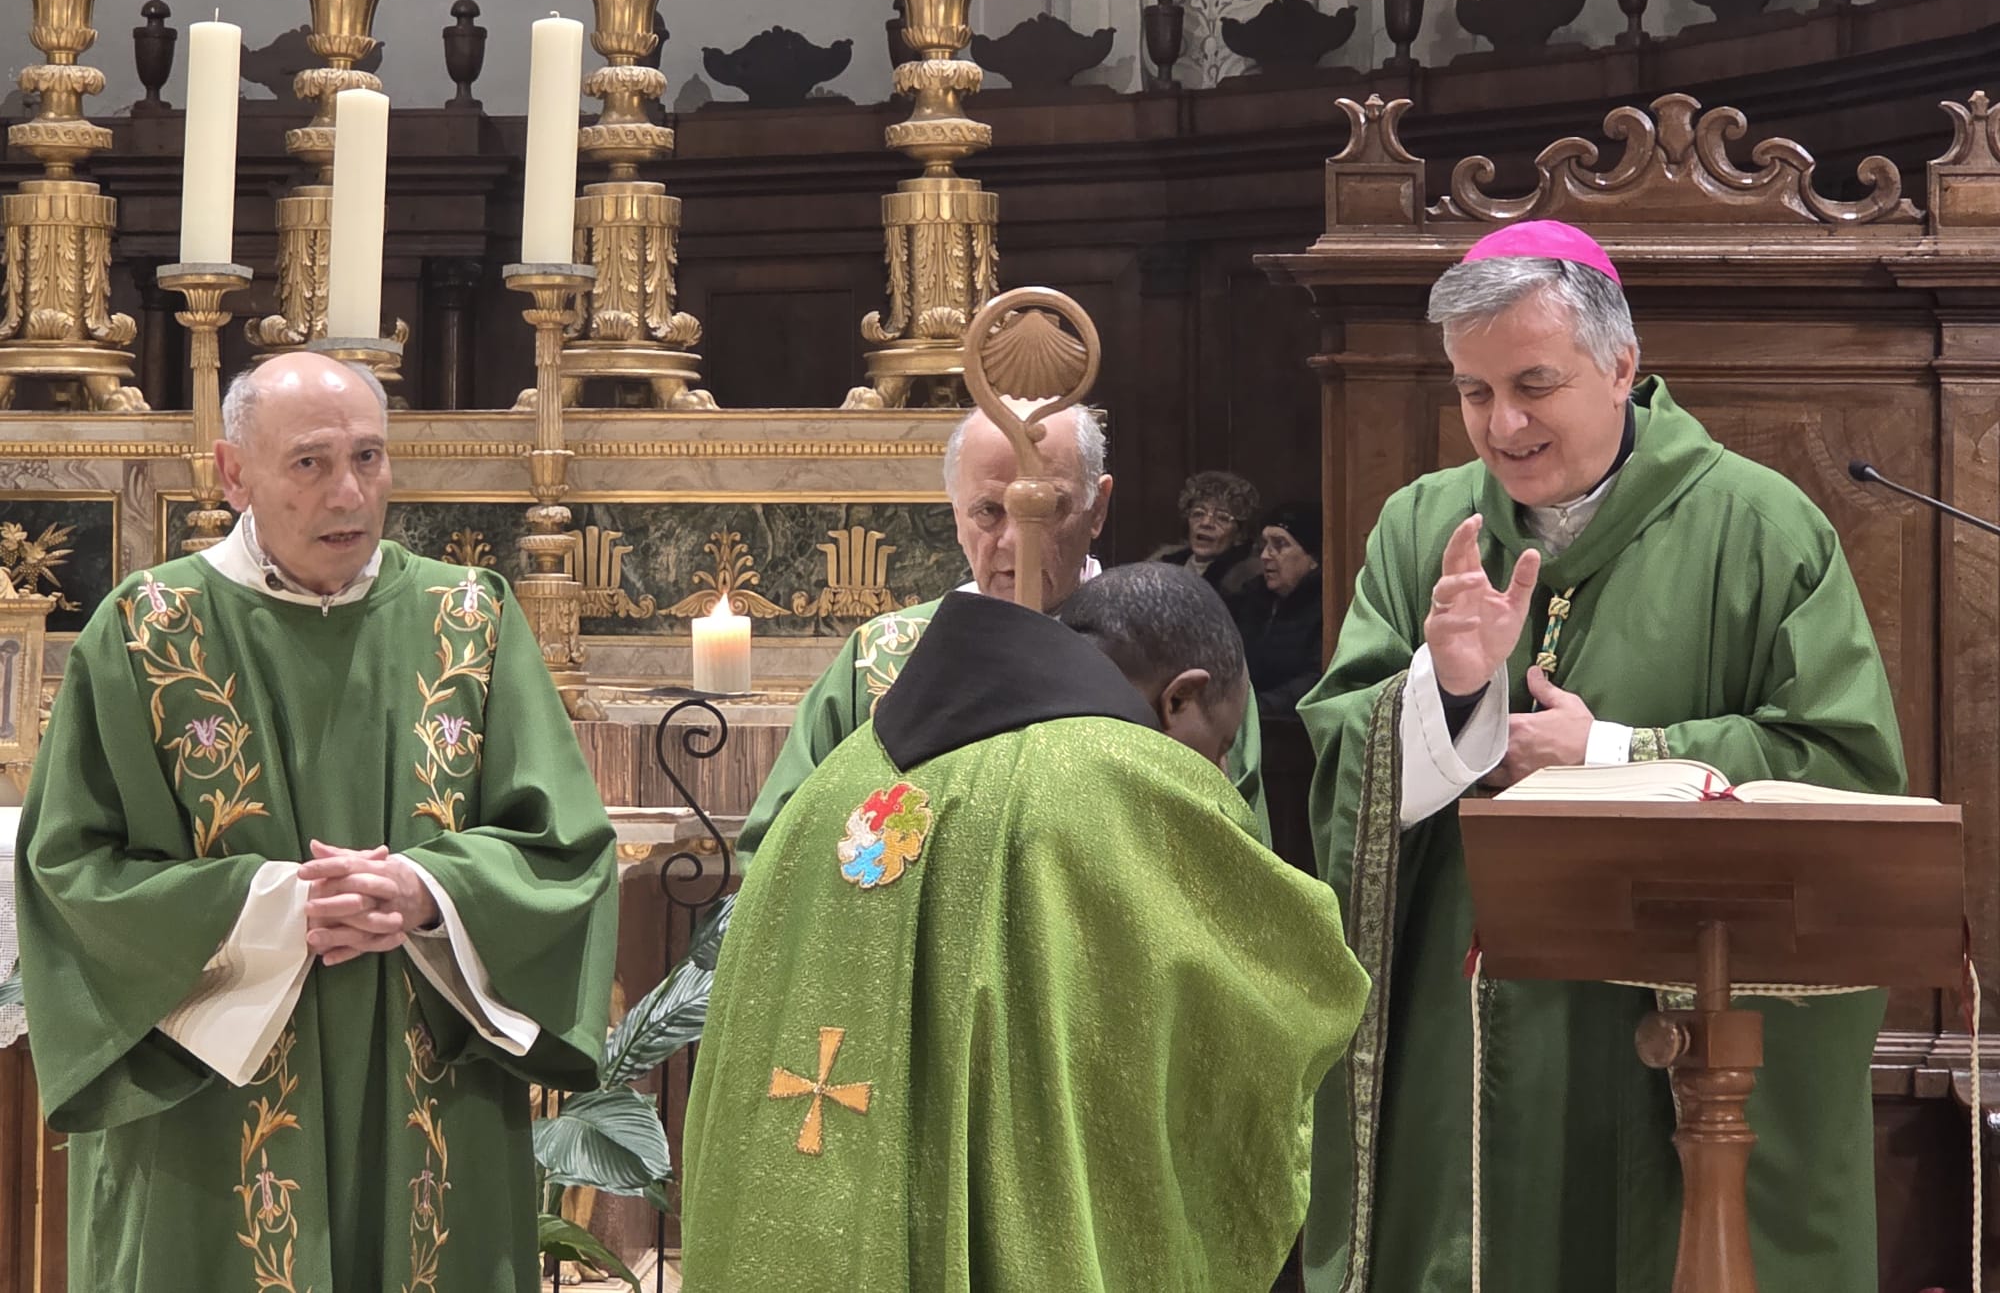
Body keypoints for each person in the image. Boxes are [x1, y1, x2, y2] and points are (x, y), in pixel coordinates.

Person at [1298, 221, 1905, 1293]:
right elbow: (1343, 753)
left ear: (1622, 366)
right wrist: (1448, 695)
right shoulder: (1421, 529)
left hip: (1664, 1021)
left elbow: (1843, 763)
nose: (1503, 424)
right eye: (1474, 392)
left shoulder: (1761, 528)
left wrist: (1613, 750)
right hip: (1465, 1018)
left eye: (1534, 384)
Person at [14, 352, 619, 1293]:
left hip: (430, 1085)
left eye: (368, 457)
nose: (349, 492)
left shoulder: (471, 618)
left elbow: (565, 851)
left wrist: (429, 891)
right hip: (208, 1114)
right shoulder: (145, 631)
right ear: (233, 474)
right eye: (310, 462)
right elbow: (69, 874)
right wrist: (270, 907)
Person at [680, 563, 1370, 1292]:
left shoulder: (837, 779)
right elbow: (1294, 987)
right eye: (1221, 745)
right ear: (1180, 697)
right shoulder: (1121, 777)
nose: (1220, 771)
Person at [736, 402, 1270, 861]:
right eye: (989, 511)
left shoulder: (1180, 652)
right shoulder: (880, 658)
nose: (1016, 541)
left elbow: (1242, 862)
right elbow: (778, 849)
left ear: (1098, 508)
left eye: (1049, 508)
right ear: (955, 514)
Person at [1232, 501, 1325, 723]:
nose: (1265, 555)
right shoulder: (1250, 598)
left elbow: (1316, 681)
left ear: (1313, 558)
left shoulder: (1326, 608)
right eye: (1264, 545)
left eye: (1280, 544)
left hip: (1290, 730)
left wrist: (1253, 708)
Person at [1152, 469, 1262, 600]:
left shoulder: (1245, 582)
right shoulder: (1162, 567)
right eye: (1198, 513)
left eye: (1222, 518)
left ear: (1239, 533)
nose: (1206, 523)